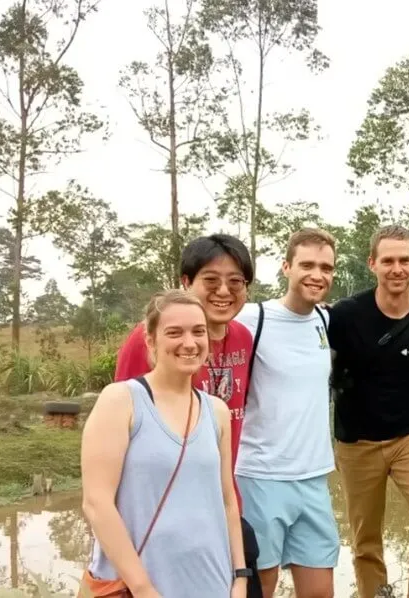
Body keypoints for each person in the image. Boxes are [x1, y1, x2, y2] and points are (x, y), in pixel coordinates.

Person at [113, 234, 263, 598]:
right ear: (186, 283)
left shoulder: (243, 337)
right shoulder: (148, 342)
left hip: (222, 513)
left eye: (236, 282)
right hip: (160, 525)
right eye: (210, 281)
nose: (224, 291)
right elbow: (124, 434)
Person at [81, 290, 249, 598]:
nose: (189, 343)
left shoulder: (217, 411)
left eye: (199, 332)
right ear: (150, 340)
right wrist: (144, 589)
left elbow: (227, 500)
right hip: (140, 587)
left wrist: (239, 577)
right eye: (174, 333)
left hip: (212, 582)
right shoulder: (122, 400)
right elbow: (96, 503)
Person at [328, 225, 409, 598]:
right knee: (365, 536)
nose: (396, 268)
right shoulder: (346, 315)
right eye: (388, 261)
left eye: (404, 260)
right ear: (373, 264)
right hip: (355, 440)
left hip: (408, 435)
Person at [234, 227, 339, 598]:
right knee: (261, 587)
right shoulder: (251, 317)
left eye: (326, 267)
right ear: (286, 267)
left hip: (313, 478)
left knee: (319, 591)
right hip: (261, 476)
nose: (317, 274)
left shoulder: (324, 321)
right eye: (307, 264)